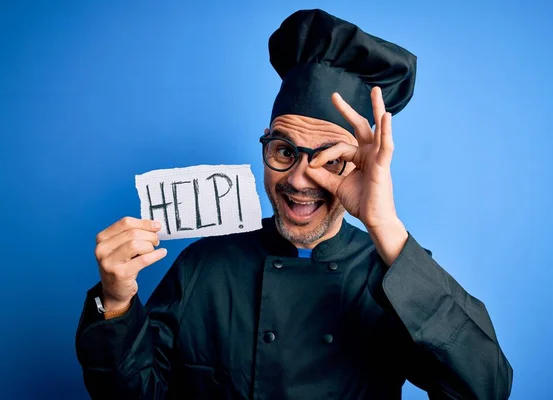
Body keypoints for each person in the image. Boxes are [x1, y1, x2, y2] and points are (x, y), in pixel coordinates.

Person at [76, 8, 513, 400]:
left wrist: (384, 224)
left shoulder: (391, 276)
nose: (301, 178)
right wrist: (115, 303)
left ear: (362, 165)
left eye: (332, 160)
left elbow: (485, 390)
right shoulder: (202, 266)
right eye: (284, 151)